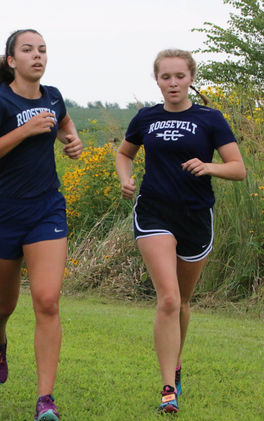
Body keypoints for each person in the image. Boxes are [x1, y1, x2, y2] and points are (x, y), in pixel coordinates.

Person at [115, 49, 246, 414]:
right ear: (156, 80)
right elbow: (124, 154)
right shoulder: (146, 117)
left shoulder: (210, 118)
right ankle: (168, 389)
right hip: (154, 212)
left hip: (196, 216)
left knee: (183, 302)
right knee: (169, 299)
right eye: (165, 77)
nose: (172, 83)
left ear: (190, 78)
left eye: (179, 76)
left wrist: (209, 167)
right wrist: (126, 178)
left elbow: (238, 168)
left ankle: (176, 363)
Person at [0, 29, 83, 421]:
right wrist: (25, 130)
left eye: (43, 50)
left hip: (46, 211)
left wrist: (72, 139)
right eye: (28, 50)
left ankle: (44, 399)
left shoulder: (53, 96)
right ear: (12, 61)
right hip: (3, 213)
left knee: (47, 301)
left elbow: (64, 122)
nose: (38, 55)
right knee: (4, 304)